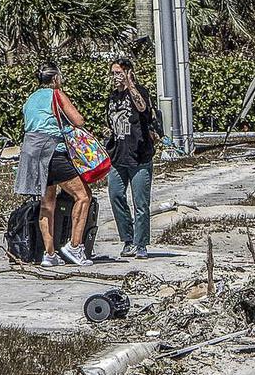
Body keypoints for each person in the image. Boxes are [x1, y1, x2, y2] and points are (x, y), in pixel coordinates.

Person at [14, 62, 93, 267]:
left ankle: (49, 254)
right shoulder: (56, 94)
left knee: (47, 204)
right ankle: (75, 246)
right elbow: (78, 120)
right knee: (83, 196)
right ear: (56, 79)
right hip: (52, 151)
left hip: (31, 153)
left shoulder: (30, 99)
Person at [106, 59, 159, 260]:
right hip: (118, 156)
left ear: (128, 72)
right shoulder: (112, 97)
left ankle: (141, 243)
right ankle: (127, 239)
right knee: (116, 195)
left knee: (140, 202)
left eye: (118, 72)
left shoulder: (140, 92)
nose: (115, 77)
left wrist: (130, 85)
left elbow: (143, 109)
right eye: (113, 73)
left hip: (139, 157)